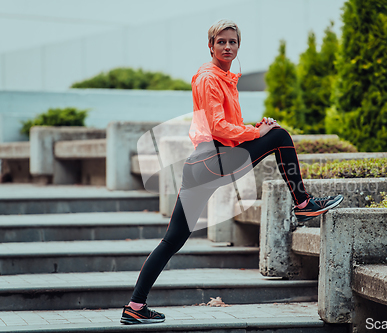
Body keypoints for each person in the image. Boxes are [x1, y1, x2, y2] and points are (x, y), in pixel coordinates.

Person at [120, 19, 343, 325]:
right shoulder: (210, 78)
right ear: (210, 46)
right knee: (279, 137)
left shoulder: (223, 77)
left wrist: (253, 130)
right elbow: (217, 127)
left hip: (203, 164)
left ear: (239, 46)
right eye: (221, 42)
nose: (227, 47)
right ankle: (303, 204)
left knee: (172, 240)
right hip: (214, 161)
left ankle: (135, 306)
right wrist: (257, 132)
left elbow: (226, 129)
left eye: (232, 42)